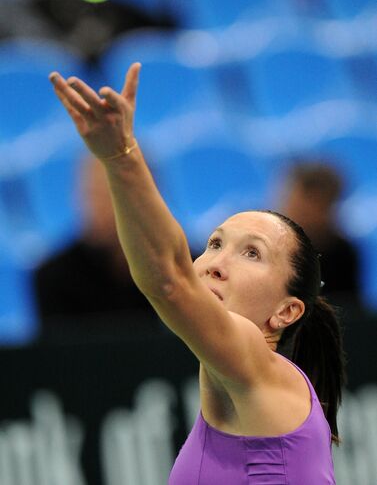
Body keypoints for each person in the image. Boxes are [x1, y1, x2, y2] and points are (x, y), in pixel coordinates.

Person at [49, 63, 346, 484]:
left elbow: (168, 281)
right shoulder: (226, 393)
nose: (217, 264)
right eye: (214, 244)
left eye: (252, 254)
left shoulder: (260, 362)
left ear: (287, 311)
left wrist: (120, 158)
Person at [34, 155, 158, 331]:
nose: (96, 207)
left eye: (108, 195)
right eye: (90, 194)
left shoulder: (188, 269)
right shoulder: (53, 277)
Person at [279, 161, 361, 307]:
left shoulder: (343, 254)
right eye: (295, 203)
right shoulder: (266, 245)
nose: (303, 213)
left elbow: (347, 312)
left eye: (312, 207)